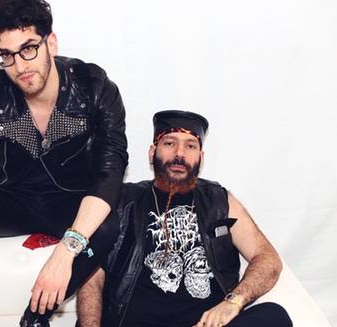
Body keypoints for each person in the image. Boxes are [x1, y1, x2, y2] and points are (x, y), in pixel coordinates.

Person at [0, 0, 128, 326]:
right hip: (11, 196)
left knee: (110, 225)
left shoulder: (94, 88)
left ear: (50, 42)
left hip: (69, 201)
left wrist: (66, 252)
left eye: (28, 49)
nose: (20, 65)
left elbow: (111, 170)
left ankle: (34, 320)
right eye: (6, 55)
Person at [76, 110, 292, 327]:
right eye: (169, 143)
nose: (180, 153)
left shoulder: (219, 201)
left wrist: (233, 302)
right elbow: (91, 278)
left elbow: (267, 258)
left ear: (200, 157)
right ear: (152, 153)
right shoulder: (123, 200)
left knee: (274, 316)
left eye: (190, 146)